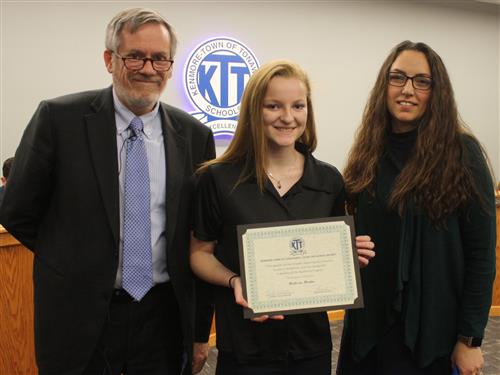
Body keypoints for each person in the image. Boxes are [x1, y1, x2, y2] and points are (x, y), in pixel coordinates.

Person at [0, 8, 215, 375]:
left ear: (170, 65)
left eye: (159, 58)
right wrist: (72, 260)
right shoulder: (58, 119)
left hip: (162, 318)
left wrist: (198, 333)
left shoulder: (194, 136)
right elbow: (17, 210)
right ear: (109, 59)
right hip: (78, 319)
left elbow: (201, 234)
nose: (147, 68)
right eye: (134, 56)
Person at [189, 60, 375, 375]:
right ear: (253, 111)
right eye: (273, 106)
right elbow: (199, 254)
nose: (287, 117)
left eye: (297, 106)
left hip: (309, 348)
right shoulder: (217, 179)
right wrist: (235, 281)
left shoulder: (329, 181)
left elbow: (325, 259)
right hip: (245, 348)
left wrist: (346, 258)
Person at [337, 40, 496, 375]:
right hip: (369, 329)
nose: (407, 89)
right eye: (397, 78)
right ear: (385, 85)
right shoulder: (368, 152)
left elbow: (482, 257)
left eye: (421, 81)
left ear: (436, 91)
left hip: (432, 333)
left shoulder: (462, 154)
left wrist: (470, 340)